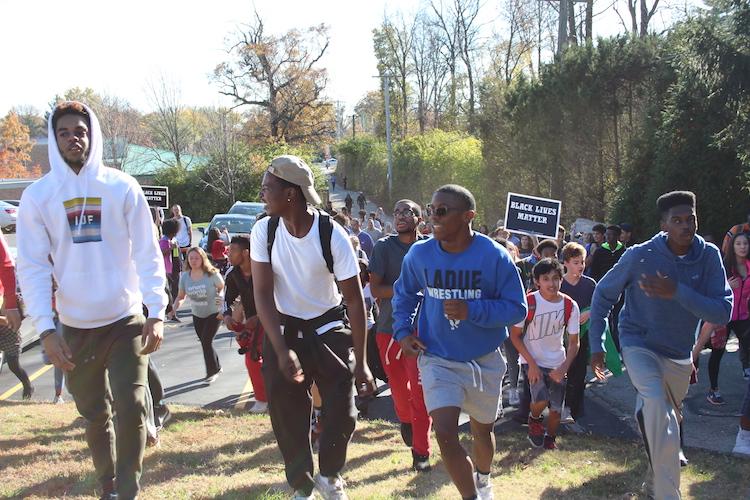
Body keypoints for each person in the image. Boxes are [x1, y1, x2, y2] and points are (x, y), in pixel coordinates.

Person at [17, 101, 167, 499]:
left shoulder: (122, 186)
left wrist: (156, 311)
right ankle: (108, 483)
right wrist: (46, 329)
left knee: (132, 404)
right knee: (93, 414)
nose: (73, 138)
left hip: (124, 318)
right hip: (75, 326)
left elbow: (148, 251)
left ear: (92, 134)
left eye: (80, 131)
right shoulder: (39, 196)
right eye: (64, 132)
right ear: (54, 139)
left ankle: (129, 489)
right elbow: (30, 267)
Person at [589, 191, 732, 500]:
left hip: (679, 354)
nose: (685, 226)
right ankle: (669, 495)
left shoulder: (708, 256)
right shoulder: (639, 255)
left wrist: (676, 291)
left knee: (664, 420)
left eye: (690, 219)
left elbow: (722, 312)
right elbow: (602, 296)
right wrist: (596, 343)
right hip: (638, 341)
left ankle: (653, 483)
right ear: (663, 224)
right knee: (656, 404)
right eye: (676, 220)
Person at [251, 155, 376, 499]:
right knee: (285, 407)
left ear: (290, 193)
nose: (263, 195)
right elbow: (261, 293)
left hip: (327, 324)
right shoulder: (264, 229)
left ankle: (330, 476)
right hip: (284, 325)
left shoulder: (331, 234)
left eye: (267, 188)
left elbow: (354, 301)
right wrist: (280, 348)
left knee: (342, 408)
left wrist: (362, 362)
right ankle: (303, 486)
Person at [392, 185, 527, 500]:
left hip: (484, 359)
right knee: (446, 434)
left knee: (482, 432)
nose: (433, 217)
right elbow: (405, 294)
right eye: (431, 209)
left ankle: (483, 477)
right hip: (437, 357)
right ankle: (471, 497)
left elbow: (517, 308)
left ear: (469, 216)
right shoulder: (420, 253)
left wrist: (472, 310)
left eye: (442, 211)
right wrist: (402, 332)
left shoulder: (494, 256)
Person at [369, 200, 432, 472]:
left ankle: (422, 453)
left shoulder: (431, 247)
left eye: (408, 212)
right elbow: (376, 290)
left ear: (419, 219)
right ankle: (405, 421)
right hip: (389, 330)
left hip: (425, 332)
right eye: (396, 212)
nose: (401, 216)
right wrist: (407, 288)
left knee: (420, 394)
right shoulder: (384, 247)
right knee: (399, 392)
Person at [510, 258, 580, 450]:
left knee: (556, 410)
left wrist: (563, 367)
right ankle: (534, 419)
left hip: (557, 362)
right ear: (537, 282)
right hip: (532, 359)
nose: (552, 283)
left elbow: (574, 343)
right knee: (540, 399)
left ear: (561, 280)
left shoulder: (570, 305)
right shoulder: (529, 302)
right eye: (546, 279)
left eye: (556, 278)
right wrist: (531, 365)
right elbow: (514, 335)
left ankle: (550, 438)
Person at [693, 232, 750, 393]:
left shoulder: (749, 266)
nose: (742, 247)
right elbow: (710, 288)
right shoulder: (724, 265)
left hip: (743, 316)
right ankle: (713, 389)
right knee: (717, 351)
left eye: (745, 244)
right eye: (738, 244)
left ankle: (746, 370)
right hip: (723, 315)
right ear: (732, 246)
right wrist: (727, 286)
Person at [223, 235, 267, 413]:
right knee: (253, 360)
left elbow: (279, 296)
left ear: (246, 252)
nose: (228, 253)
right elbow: (228, 299)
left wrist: (260, 317)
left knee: (274, 361)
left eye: (233, 250)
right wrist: (227, 316)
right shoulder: (232, 274)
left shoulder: (264, 270)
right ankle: (263, 400)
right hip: (251, 325)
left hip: (275, 321)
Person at [171, 247, 224, 382]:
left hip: (214, 313)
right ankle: (217, 366)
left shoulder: (211, 274)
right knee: (206, 342)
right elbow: (181, 296)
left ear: (202, 259)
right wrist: (174, 308)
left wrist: (220, 298)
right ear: (188, 260)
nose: (194, 261)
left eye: (197, 258)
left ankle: (211, 372)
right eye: (191, 258)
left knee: (206, 341)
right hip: (197, 315)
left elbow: (221, 287)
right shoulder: (185, 277)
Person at [559, 242, 596, 423]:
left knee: (578, 372)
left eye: (582, 262)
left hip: (582, 337)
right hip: (558, 337)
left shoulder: (590, 284)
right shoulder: (557, 283)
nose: (580, 266)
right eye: (575, 262)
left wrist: (590, 312)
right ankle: (557, 406)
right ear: (565, 263)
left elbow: (600, 306)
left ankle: (573, 409)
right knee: (559, 371)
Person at [0, 232, 32, 399]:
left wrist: (10, 307)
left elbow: (6, 265)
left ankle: (27, 384)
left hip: (4, 307)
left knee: (13, 364)